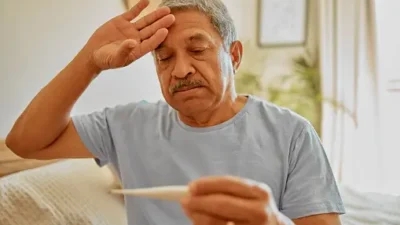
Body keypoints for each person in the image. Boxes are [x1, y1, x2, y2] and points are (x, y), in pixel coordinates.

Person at [5, 0, 345, 224]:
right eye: (164, 58)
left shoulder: (292, 133)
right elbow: (24, 143)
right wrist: (89, 62)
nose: (180, 70)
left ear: (235, 56)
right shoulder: (125, 125)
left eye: (197, 49)